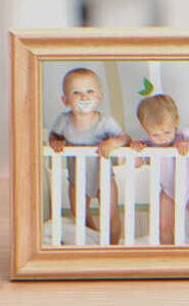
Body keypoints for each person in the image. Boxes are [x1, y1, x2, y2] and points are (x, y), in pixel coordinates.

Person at [49, 68, 130, 245]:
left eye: (89, 91)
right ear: (65, 100)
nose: (84, 97)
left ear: (99, 97)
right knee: (80, 215)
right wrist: (56, 141)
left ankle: (114, 246)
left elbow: (125, 138)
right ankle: (94, 240)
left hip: (103, 178)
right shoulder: (63, 122)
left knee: (111, 213)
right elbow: (54, 136)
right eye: (76, 93)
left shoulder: (105, 122)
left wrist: (113, 143)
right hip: (76, 179)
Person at [131, 94, 189, 244]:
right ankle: (168, 256)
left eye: (166, 132)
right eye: (155, 134)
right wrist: (135, 149)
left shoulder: (184, 135)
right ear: (145, 129)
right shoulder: (148, 144)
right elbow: (136, 163)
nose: (162, 138)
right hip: (168, 190)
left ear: (176, 122)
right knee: (164, 227)